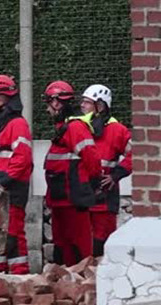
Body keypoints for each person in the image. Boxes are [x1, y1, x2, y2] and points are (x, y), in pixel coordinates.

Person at [42, 80, 102, 266]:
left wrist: (91, 185)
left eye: (49, 103)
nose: (48, 108)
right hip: (62, 197)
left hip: (72, 197)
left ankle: (84, 283)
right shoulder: (63, 129)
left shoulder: (74, 128)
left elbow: (92, 159)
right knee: (64, 246)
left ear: (56, 103)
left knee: (79, 247)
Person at [0, 74, 33, 274]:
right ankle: (1, 275)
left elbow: (22, 158)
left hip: (10, 188)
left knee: (13, 233)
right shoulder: (3, 124)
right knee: (1, 235)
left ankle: (20, 276)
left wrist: (3, 181)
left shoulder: (16, 124)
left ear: (1, 98)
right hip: (0, 187)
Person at [80, 84, 132, 257]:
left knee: (102, 243)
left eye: (87, 103)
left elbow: (136, 154)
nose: (82, 106)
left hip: (104, 198)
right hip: (82, 196)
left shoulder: (117, 131)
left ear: (100, 106)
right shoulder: (79, 128)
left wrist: (116, 175)